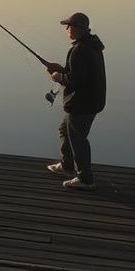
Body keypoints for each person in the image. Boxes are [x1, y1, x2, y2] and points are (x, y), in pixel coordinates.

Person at [44, 12, 106, 191]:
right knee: (65, 130)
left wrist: (58, 77)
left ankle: (86, 179)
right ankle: (67, 165)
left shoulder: (80, 50)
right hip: (90, 100)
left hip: (83, 103)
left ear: (78, 28)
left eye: (69, 26)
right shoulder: (90, 45)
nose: (67, 29)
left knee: (78, 139)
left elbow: (74, 80)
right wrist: (61, 70)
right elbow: (79, 74)